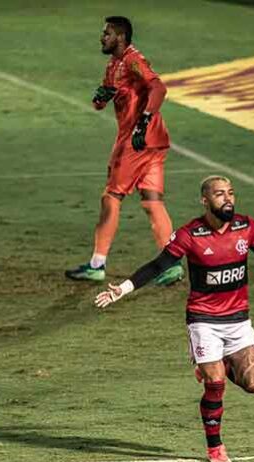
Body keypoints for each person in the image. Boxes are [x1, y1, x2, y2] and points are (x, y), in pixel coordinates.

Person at [94, 175, 254, 462]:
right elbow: (159, 264)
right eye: (219, 194)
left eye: (230, 193)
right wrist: (123, 289)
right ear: (205, 201)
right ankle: (215, 446)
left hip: (239, 320)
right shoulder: (191, 234)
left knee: (252, 384)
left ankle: (211, 364)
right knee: (215, 383)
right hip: (204, 320)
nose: (227, 199)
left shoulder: (246, 227)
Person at [65, 15, 184, 285]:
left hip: (136, 142)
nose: (102, 37)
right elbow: (101, 100)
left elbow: (159, 87)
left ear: (120, 37)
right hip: (155, 141)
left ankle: (97, 265)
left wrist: (142, 122)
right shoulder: (113, 65)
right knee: (152, 201)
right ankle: (172, 265)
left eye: (106, 33)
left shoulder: (133, 60)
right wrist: (101, 97)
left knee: (111, 198)